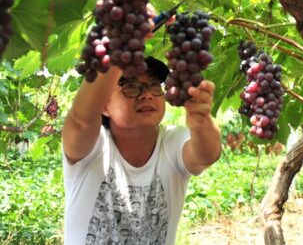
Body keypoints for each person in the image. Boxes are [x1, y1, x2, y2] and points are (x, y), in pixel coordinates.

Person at [62, 55, 221, 245]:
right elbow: (80, 122)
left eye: (154, 84)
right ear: (103, 105)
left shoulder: (172, 143)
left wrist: (201, 122)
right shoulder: (93, 147)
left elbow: (206, 155)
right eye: (130, 86)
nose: (147, 95)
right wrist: (120, 48)